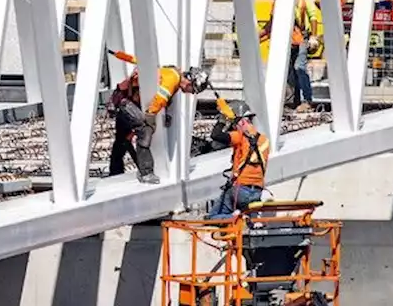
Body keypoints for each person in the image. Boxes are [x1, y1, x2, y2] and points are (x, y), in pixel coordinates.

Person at [105, 50, 197, 185]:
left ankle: (115, 173)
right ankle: (146, 173)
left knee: (122, 139)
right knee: (144, 129)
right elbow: (160, 99)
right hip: (125, 100)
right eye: (193, 89)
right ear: (189, 81)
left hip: (124, 98)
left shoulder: (172, 75)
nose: (191, 92)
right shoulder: (173, 78)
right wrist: (151, 116)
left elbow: (136, 60)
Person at [206, 101, 270, 219]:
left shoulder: (239, 136)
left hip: (239, 189)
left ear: (241, 121)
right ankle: (247, 219)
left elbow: (216, 135)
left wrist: (223, 119)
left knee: (213, 216)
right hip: (257, 192)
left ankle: (236, 218)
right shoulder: (264, 140)